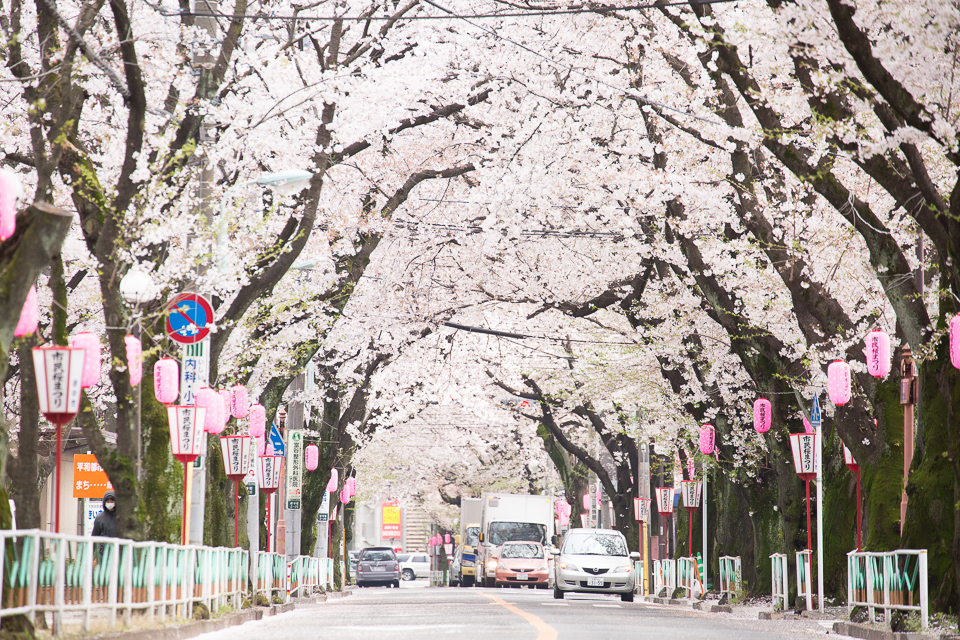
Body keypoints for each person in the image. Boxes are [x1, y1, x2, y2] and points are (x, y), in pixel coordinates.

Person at [91, 490, 118, 562]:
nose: (110, 504)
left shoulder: (120, 518)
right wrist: (90, 556)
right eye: (108, 502)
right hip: (103, 554)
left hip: (118, 553)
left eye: (112, 501)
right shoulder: (99, 518)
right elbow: (94, 537)